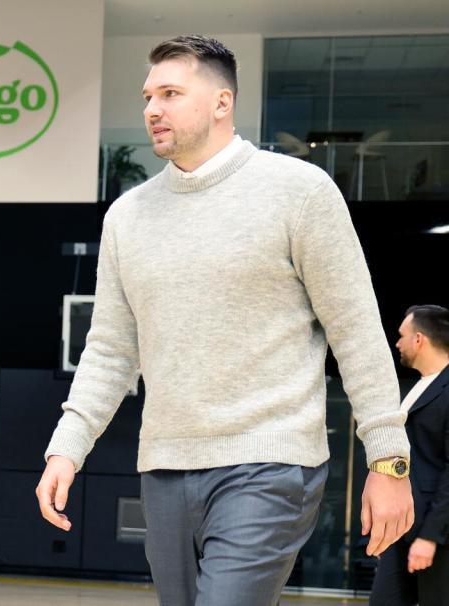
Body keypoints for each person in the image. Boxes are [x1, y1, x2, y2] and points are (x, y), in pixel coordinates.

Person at [35, 34, 413, 606]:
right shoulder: (127, 217)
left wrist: (388, 460)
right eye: (147, 96)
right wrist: (67, 446)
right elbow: (111, 350)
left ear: (221, 102)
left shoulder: (300, 191)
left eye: (170, 93)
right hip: (164, 466)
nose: (152, 110)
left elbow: (356, 332)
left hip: (269, 463)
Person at [370, 305, 449, 606]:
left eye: (402, 336)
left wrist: (430, 537)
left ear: (419, 340)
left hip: (436, 536)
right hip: (403, 531)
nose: (397, 343)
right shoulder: (418, 388)